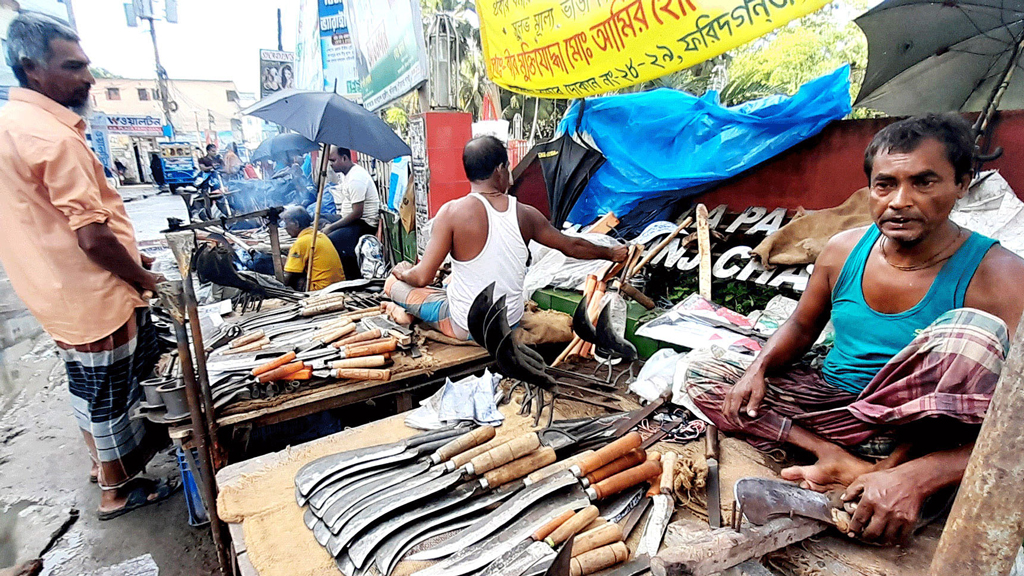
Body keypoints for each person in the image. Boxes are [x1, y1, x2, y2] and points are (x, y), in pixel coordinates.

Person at [681, 114, 1024, 544]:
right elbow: (803, 326)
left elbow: (1017, 420)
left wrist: (918, 474)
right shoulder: (843, 248)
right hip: (835, 410)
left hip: (916, 434)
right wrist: (758, 369)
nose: (900, 200)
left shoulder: (1003, 274)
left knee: (972, 334)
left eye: (924, 182)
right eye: (885, 185)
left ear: (963, 184)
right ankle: (839, 460)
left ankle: (903, 476)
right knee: (703, 369)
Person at [0, 12, 176, 519]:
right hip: (91, 293)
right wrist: (144, 278)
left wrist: (132, 252)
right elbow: (93, 237)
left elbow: (51, 219)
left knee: (86, 385)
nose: (88, 78)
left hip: (54, 292)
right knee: (109, 395)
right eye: (73, 66)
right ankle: (116, 491)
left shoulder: (14, 124)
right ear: (32, 69)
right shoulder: (52, 137)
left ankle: (103, 467)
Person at [384, 135, 628, 339]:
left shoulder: (451, 213)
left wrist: (401, 272)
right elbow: (571, 245)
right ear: (500, 169)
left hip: (468, 328)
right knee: (446, 289)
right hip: (507, 324)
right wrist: (612, 253)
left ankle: (404, 312)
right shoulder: (525, 214)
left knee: (394, 284)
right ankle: (407, 313)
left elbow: (422, 276)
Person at [325, 146, 380, 279]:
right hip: (351, 218)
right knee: (319, 220)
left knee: (332, 239)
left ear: (344, 158)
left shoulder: (356, 178)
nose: (331, 165)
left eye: (333, 160)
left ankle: (352, 277)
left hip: (364, 223)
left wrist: (331, 227)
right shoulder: (346, 175)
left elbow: (357, 213)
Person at [281, 206, 345, 291]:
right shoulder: (320, 235)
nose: (285, 227)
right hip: (338, 284)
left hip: (321, 288)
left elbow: (289, 276)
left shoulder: (302, 242)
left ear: (296, 223)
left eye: (287, 223)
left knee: (292, 277)